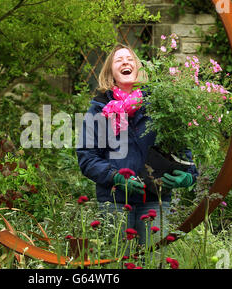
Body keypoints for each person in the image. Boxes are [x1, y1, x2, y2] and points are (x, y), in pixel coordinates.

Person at [76, 43, 198, 246]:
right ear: (110, 72)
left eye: (130, 59)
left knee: (155, 260)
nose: (125, 62)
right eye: (118, 60)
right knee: (118, 260)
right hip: (114, 201)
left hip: (154, 200)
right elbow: (87, 157)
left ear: (139, 68)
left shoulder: (161, 104)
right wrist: (115, 177)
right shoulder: (98, 110)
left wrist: (187, 176)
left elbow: (182, 150)